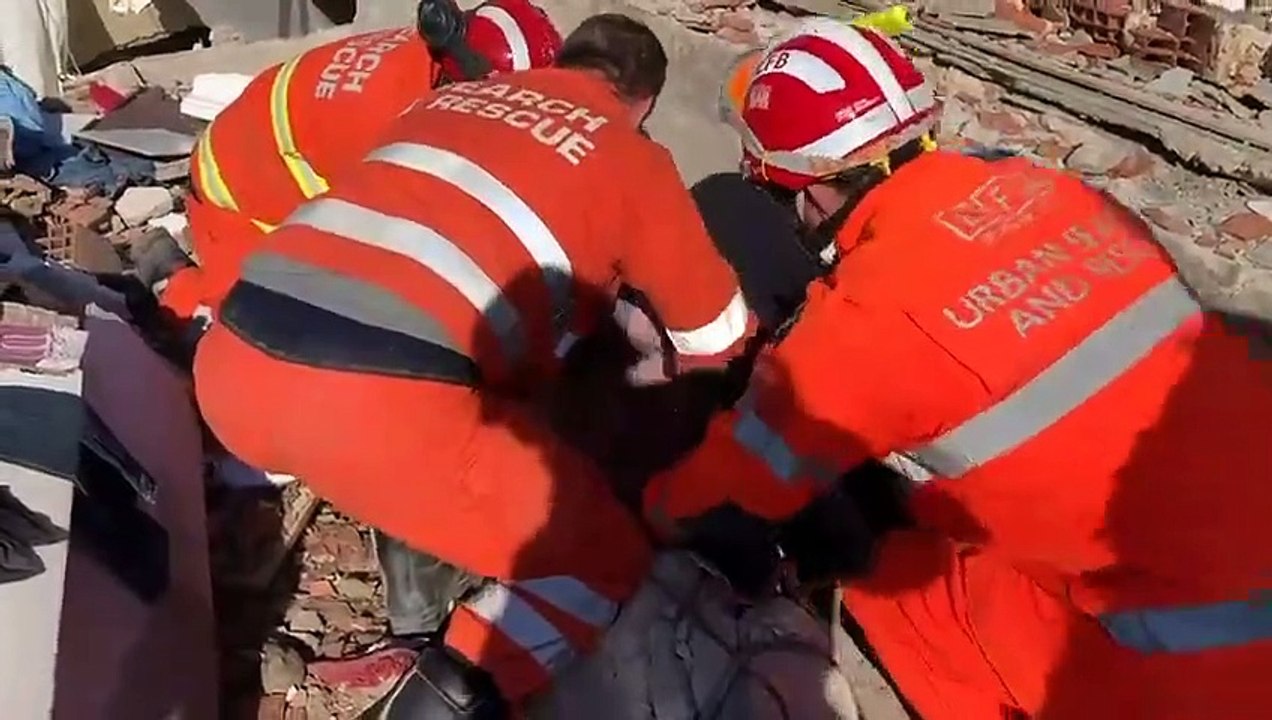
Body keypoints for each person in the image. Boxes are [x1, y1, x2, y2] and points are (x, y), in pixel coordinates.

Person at [645, 18, 1272, 720]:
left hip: (1183, 674)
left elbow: (727, 492)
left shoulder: (864, 325)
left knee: (890, 571)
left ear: (808, 191)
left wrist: (656, 497)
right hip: (1237, 532)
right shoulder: (1057, 193)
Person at [193, 13, 754, 717]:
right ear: (643, 102)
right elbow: (717, 336)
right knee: (596, 554)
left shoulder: (438, 101)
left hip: (232, 363)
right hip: (377, 406)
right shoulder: (629, 154)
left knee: (460, 397)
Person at [157, 0, 563, 323]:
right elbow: (409, 246)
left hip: (261, 136)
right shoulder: (392, 122)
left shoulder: (435, 58)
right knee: (241, 328)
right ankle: (169, 282)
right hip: (239, 198)